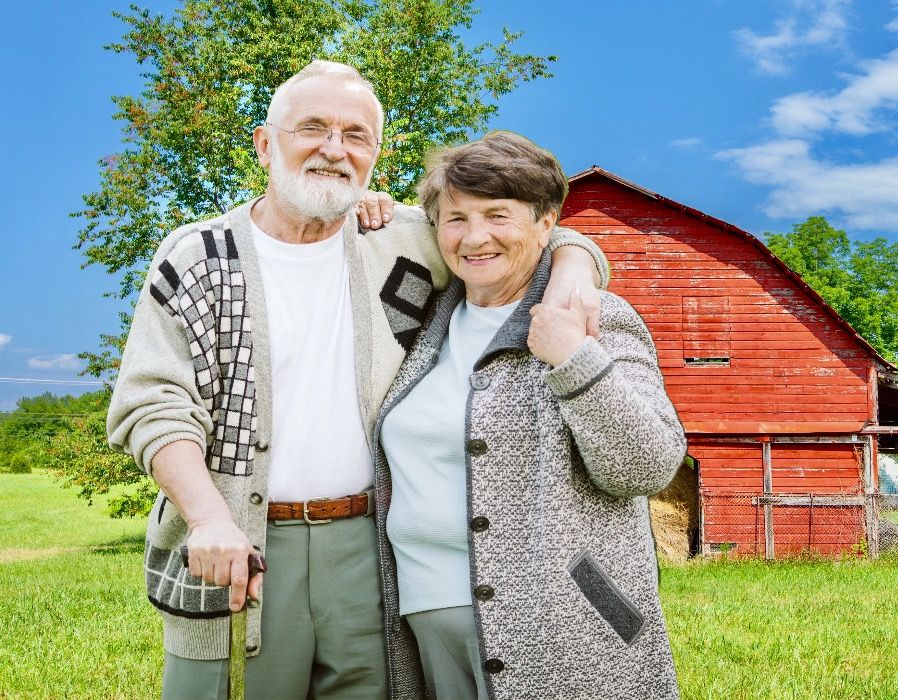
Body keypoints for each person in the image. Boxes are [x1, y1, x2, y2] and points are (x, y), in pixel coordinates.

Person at [106, 61, 609, 699]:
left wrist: (574, 269)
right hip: (238, 543)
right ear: (265, 144)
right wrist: (208, 519)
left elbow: (530, 235)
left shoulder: (404, 240)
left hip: (369, 546)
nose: (333, 148)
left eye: (355, 135)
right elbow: (153, 403)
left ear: (375, 154)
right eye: (312, 128)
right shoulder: (197, 256)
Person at [372, 131, 685, 700]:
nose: (475, 236)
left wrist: (572, 359)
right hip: (428, 616)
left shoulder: (593, 317)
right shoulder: (425, 319)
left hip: (565, 626)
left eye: (499, 215)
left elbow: (649, 466)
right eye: (456, 218)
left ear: (546, 224)